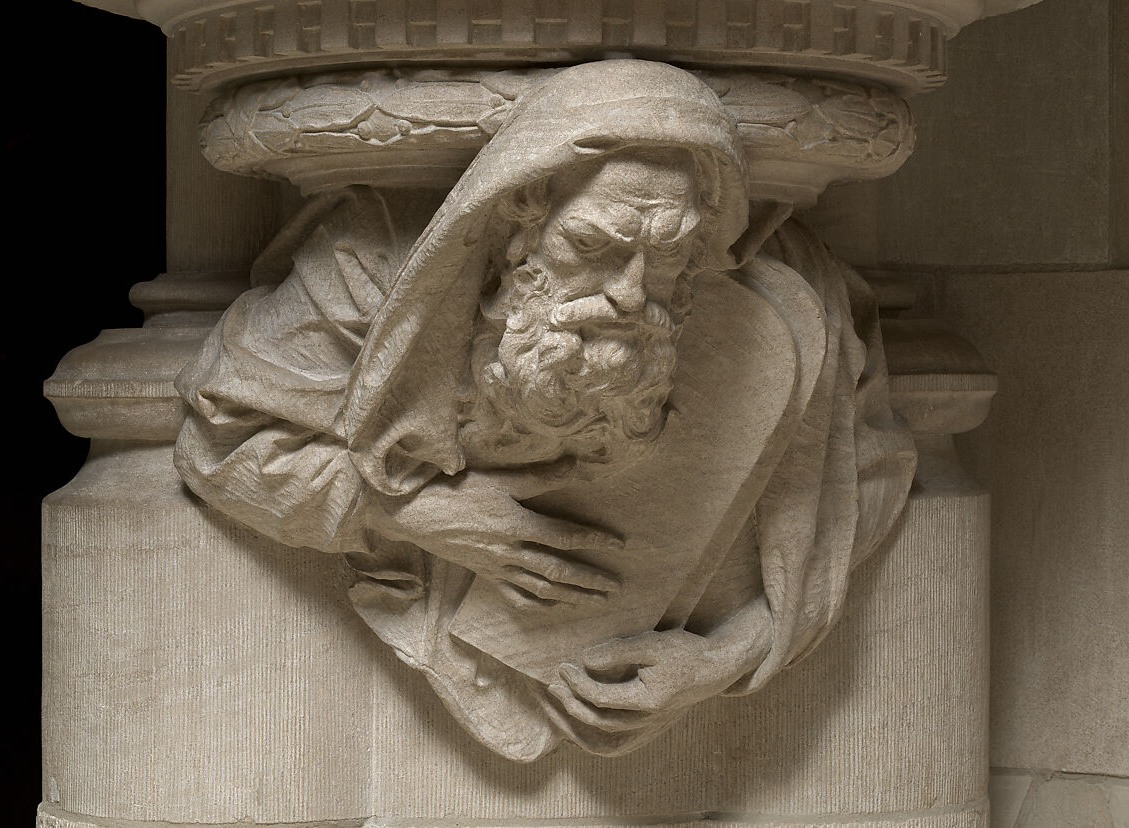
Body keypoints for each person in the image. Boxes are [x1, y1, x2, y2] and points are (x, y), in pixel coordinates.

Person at [174, 60, 916, 761]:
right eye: (594, 244)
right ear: (521, 213)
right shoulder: (372, 266)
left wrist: (725, 654)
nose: (631, 291)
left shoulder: (784, 308)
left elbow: (860, 482)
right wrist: (411, 513)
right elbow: (224, 442)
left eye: (666, 255)